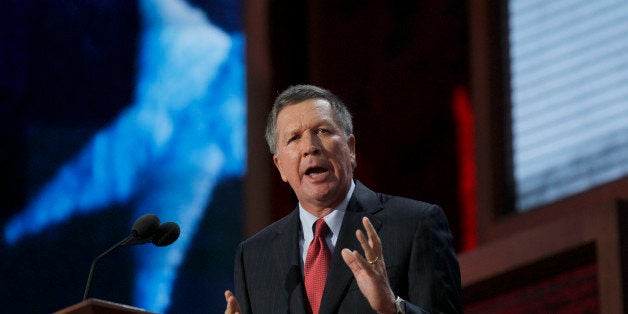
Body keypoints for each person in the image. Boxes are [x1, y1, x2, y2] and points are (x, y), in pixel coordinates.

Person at [224, 84, 463, 313]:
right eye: (294, 138)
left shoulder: (414, 224)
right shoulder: (254, 257)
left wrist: (392, 308)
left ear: (350, 148)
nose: (310, 147)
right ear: (280, 167)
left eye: (322, 131)